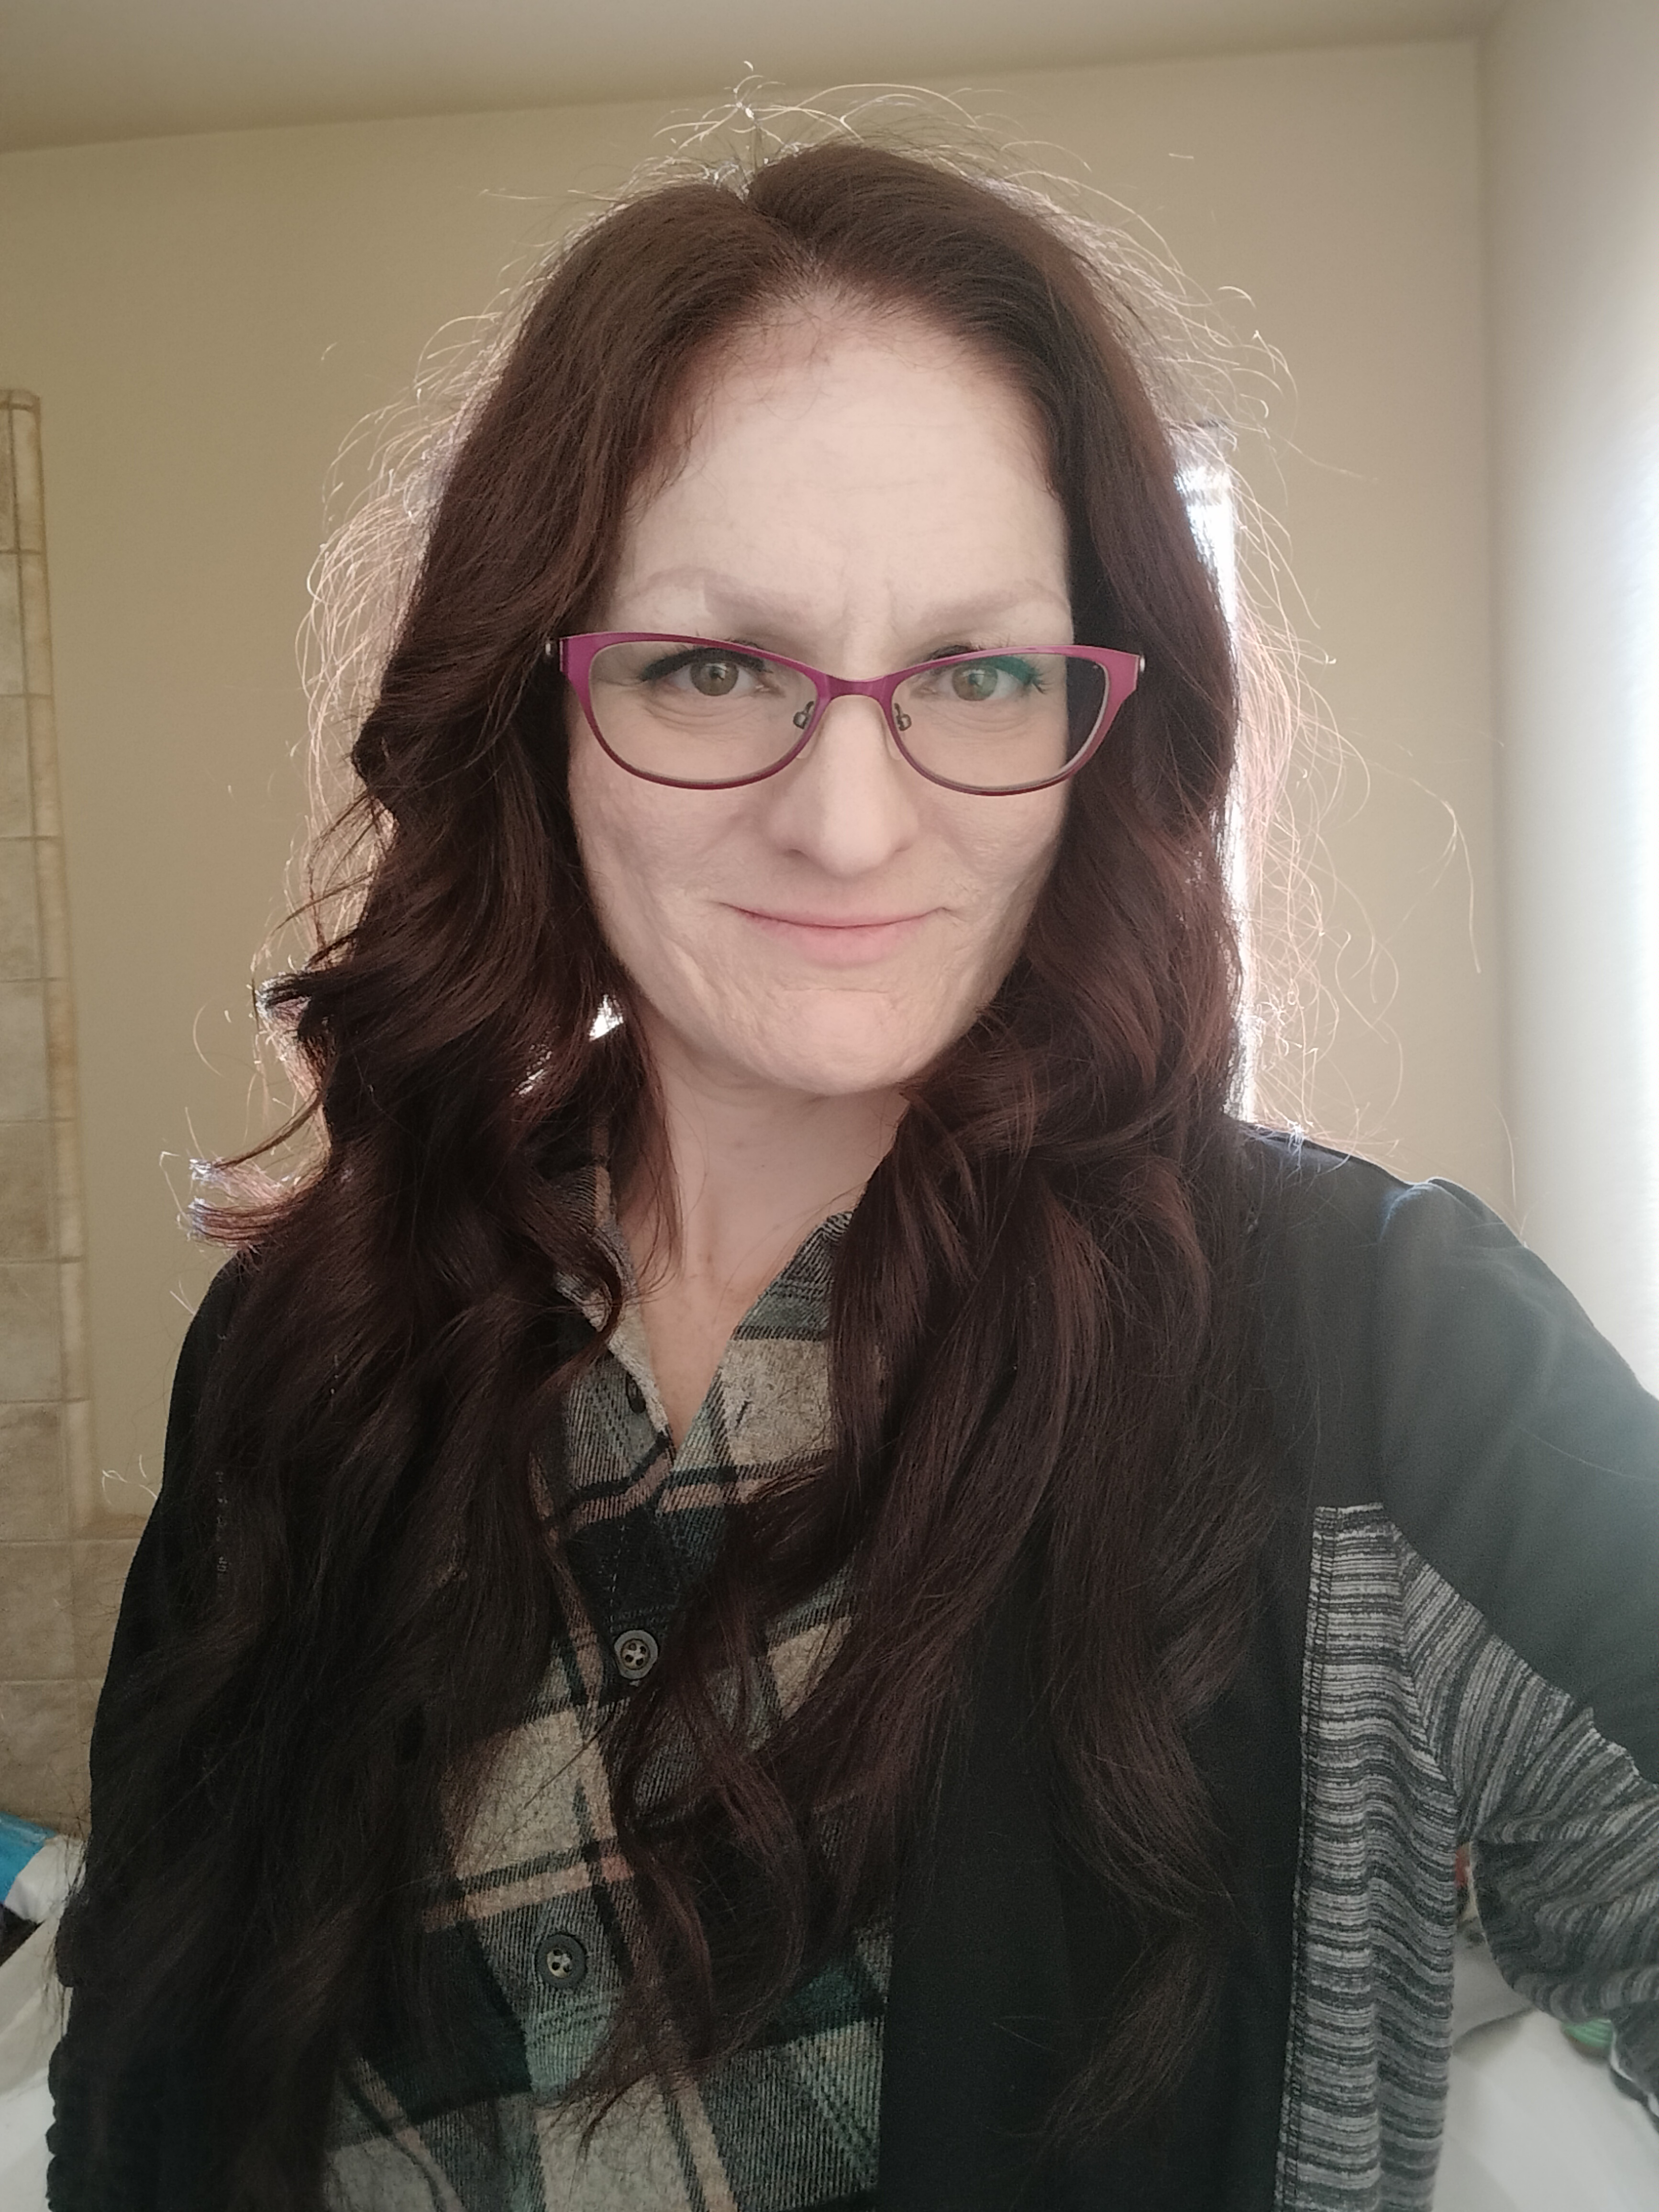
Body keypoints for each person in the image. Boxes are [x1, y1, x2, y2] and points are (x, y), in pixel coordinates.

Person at [46, 133, 1659, 2212]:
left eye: (979, 675)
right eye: (712, 666)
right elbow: (134, 2095)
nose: (847, 825)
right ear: (538, 703)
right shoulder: (305, 1345)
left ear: (1101, 721)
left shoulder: (1381, 1343)